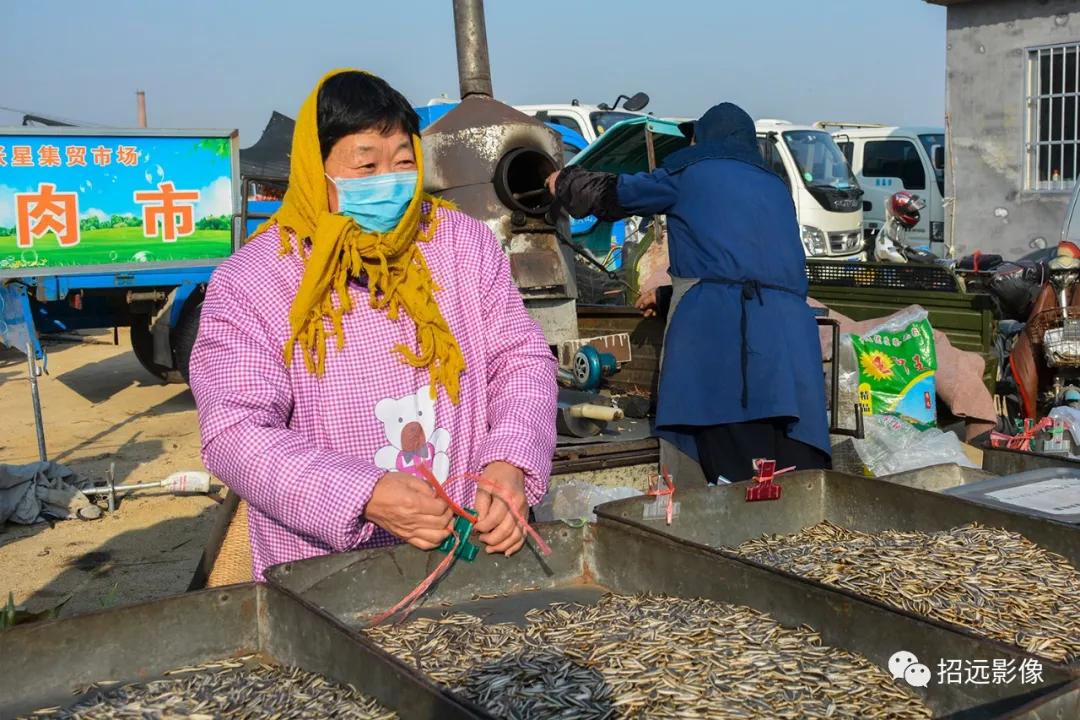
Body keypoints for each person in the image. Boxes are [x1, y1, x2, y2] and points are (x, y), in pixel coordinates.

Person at [189, 69, 557, 581]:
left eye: (403, 162)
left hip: (471, 554)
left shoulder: (459, 242)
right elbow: (235, 431)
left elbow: (520, 360)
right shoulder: (254, 280)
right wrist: (363, 494)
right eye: (366, 165)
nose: (389, 180)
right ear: (316, 170)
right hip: (328, 572)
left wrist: (511, 460)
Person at [547, 102, 830, 484]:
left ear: (706, 139)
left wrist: (564, 182)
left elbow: (617, 195)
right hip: (793, 356)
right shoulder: (776, 187)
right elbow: (746, 266)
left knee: (733, 482)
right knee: (791, 485)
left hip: (731, 348)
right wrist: (666, 297)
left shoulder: (691, 172)